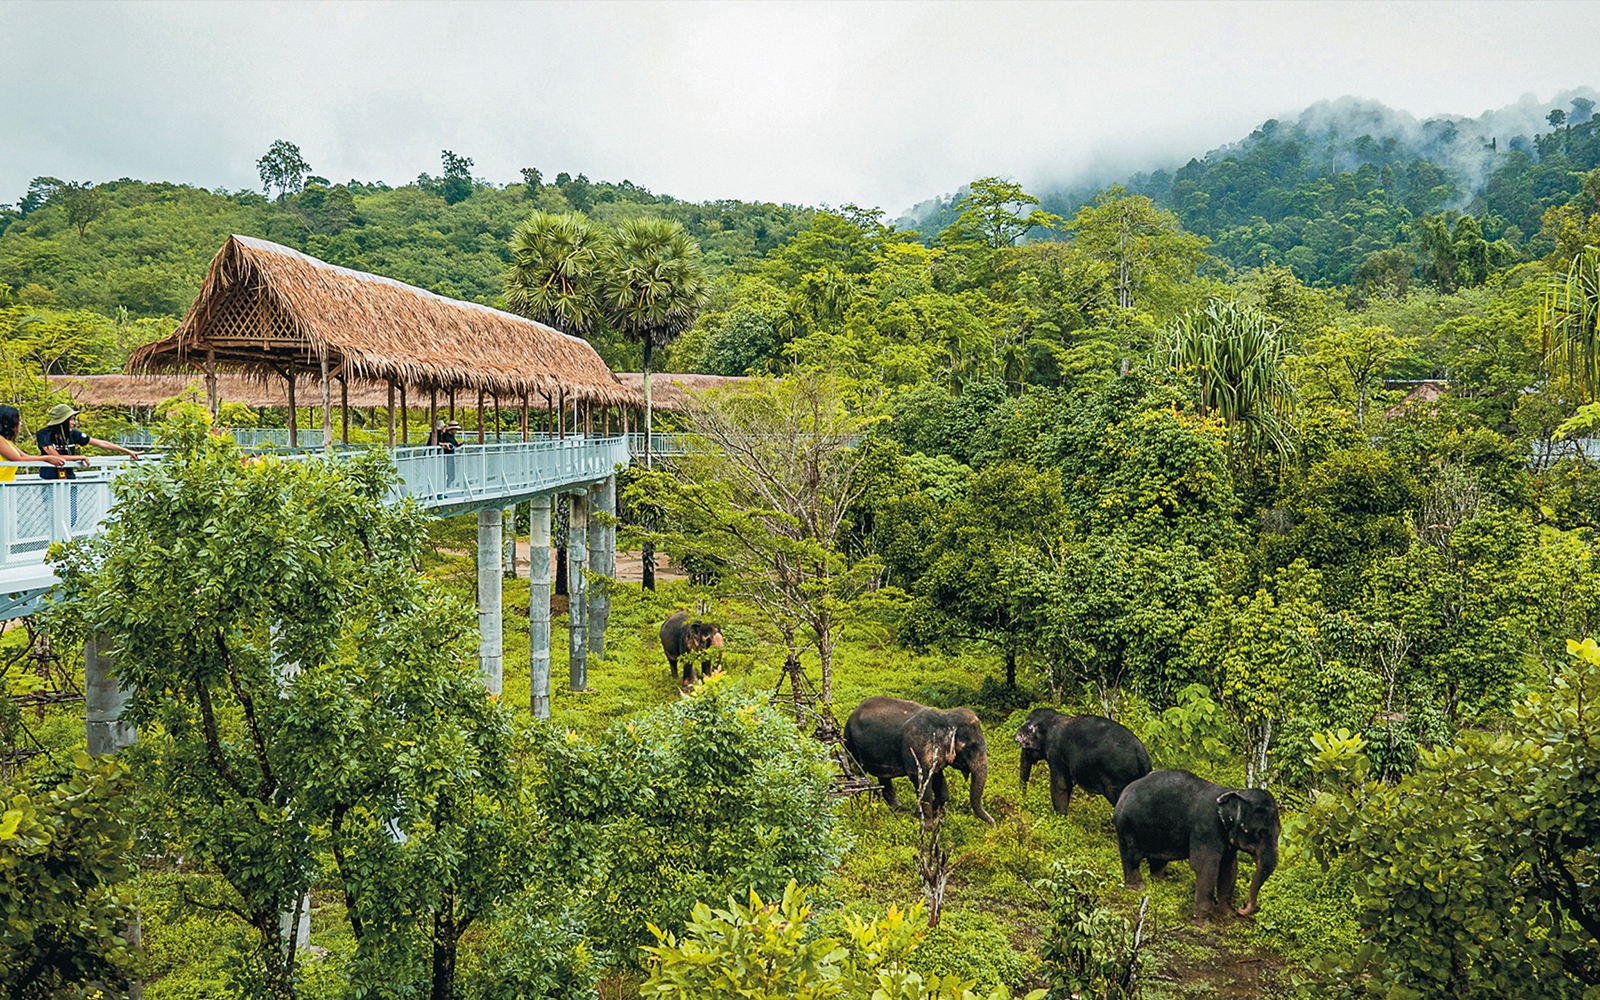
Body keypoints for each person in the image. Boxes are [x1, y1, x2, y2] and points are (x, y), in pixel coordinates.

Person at [36, 403, 141, 480]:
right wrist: (80, 457)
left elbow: (101, 443)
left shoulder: (73, 434)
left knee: (72, 510)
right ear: (62, 421)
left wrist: (127, 451)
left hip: (69, 478)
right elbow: (56, 457)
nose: (73, 423)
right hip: (49, 479)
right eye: (70, 420)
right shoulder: (44, 434)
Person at [0, 405, 68, 482]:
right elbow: (17, 459)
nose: (20, 424)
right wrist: (47, 458)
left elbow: (24, 456)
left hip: (6, 487)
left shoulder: (8, 441)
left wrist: (48, 459)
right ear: (9, 423)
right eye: (18, 421)